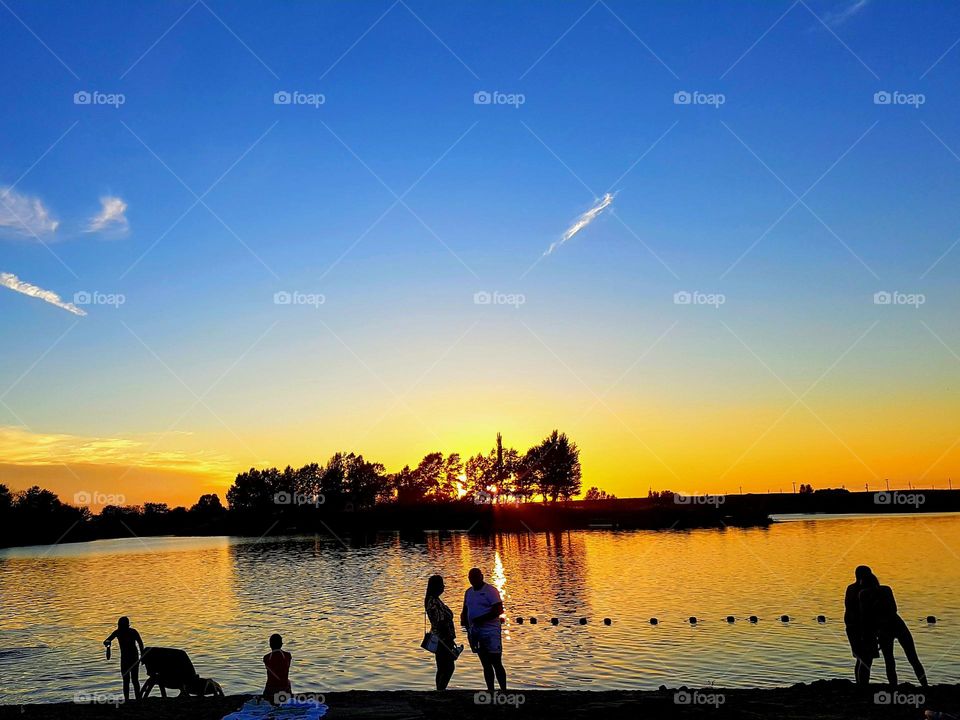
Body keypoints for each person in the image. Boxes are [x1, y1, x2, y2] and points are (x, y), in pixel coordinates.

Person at [859, 573, 928, 688]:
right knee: (906, 658)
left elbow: (866, 616)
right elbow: (892, 609)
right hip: (893, 625)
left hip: (889, 627)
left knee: (895, 659)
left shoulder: (867, 594)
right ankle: (921, 685)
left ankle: (897, 686)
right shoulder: (884, 590)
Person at [460, 567, 506, 694]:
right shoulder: (468, 592)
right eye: (471, 577)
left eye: (476, 577)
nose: (473, 580)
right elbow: (465, 609)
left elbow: (499, 610)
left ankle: (504, 690)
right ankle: (490, 689)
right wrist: (464, 620)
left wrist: (481, 619)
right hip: (475, 632)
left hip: (491, 633)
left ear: (481, 576)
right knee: (485, 663)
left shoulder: (491, 591)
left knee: (496, 662)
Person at [844, 565, 877, 685]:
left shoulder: (851, 588)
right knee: (866, 659)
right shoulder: (862, 591)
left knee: (861, 658)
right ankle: (863, 684)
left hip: (853, 627)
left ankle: (860, 683)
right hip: (861, 628)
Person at [424, 574, 458, 690]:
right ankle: (441, 689)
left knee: (443, 666)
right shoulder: (433, 602)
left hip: (441, 638)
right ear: (436, 586)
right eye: (442, 584)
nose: (444, 587)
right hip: (441, 639)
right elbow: (440, 621)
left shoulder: (435, 600)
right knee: (447, 666)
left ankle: (440, 689)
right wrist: (448, 638)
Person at [103, 616, 144, 701]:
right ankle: (137, 699)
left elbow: (107, 640)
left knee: (128, 680)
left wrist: (108, 645)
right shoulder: (131, 632)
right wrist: (142, 655)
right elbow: (140, 644)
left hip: (128, 658)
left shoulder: (119, 632)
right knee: (133, 680)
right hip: (132, 658)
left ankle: (130, 699)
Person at [262, 633, 292, 702]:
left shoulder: (266, 658)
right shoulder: (288, 656)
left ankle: (266, 698)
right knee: (288, 681)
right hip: (284, 689)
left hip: (271, 690)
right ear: (281, 644)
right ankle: (288, 697)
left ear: (270, 645)